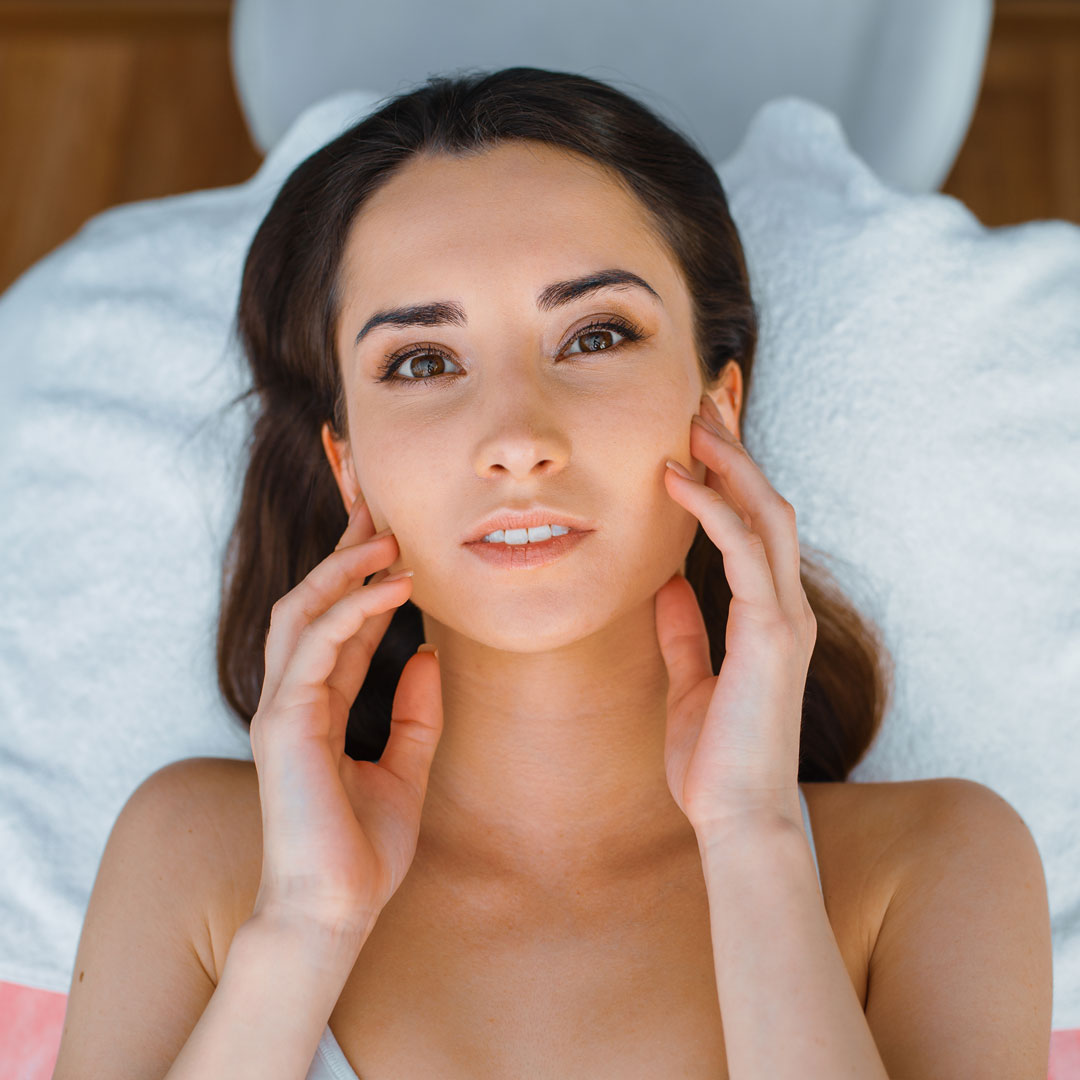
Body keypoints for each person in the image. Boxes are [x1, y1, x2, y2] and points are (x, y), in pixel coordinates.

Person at [52, 67, 1052, 1080]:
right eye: (423, 362)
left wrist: (753, 842)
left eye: (595, 335)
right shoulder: (198, 857)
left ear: (720, 410)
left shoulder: (935, 869)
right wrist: (304, 923)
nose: (517, 440)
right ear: (349, 465)